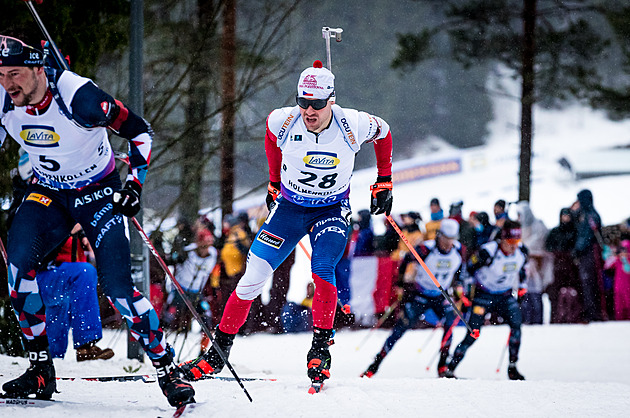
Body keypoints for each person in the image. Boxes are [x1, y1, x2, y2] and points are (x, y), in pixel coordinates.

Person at [0, 35, 194, 406]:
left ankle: (168, 370)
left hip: (97, 193)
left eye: (15, 74)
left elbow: (139, 131)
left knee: (119, 288)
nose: (9, 85)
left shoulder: (78, 97)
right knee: (18, 271)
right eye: (1, 75)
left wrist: (135, 186)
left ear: (39, 68)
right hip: (49, 193)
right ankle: (41, 369)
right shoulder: (4, 98)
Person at [181, 59, 393, 389]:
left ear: (331, 101)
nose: (309, 111)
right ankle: (217, 355)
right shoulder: (283, 120)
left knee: (322, 271)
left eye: (317, 104)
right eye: (303, 102)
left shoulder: (352, 124)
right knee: (251, 279)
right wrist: (272, 183)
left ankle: (320, 349)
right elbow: (269, 138)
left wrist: (384, 181)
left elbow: (385, 132)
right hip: (290, 210)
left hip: (331, 210)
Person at [360, 219, 463, 378]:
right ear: (439, 236)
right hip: (420, 294)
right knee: (400, 329)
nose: (449, 244)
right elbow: (406, 260)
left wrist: (458, 285)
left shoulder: (458, 250)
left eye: (452, 240)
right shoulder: (425, 249)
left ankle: (443, 367)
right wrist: (400, 284)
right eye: (446, 239)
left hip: (439, 295)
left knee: (450, 325)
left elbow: (460, 269)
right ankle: (374, 366)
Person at [444, 219, 529, 380]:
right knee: (474, 332)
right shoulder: (488, 251)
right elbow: (467, 270)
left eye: (516, 241)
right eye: (510, 241)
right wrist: (466, 292)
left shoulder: (522, 250)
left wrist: (523, 287)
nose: (513, 246)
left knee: (516, 325)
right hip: (484, 295)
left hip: (504, 295)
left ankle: (512, 367)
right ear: (502, 239)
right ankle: (450, 367)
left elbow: (523, 268)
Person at [515, 201, 552, 324]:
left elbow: (539, 242)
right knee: (525, 292)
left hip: (536, 263)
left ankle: (537, 319)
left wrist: (524, 248)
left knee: (536, 292)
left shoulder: (538, 225)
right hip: (524, 264)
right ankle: (527, 319)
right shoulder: (519, 226)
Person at [572, 189, 606, 322]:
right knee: (589, 283)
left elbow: (586, 236)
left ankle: (592, 312)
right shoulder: (588, 214)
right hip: (589, 252)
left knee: (589, 283)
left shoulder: (589, 215)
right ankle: (591, 311)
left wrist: (578, 249)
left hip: (590, 253)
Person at [545, 208, 581, 323]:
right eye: (563, 216)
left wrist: (570, 253)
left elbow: (576, 247)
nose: (565, 218)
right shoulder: (556, 231)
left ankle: (572, 316)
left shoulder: (574, 231)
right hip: (558, 266)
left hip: (571, 266)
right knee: (555, 293)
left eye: (567, 215)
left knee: (572, 292)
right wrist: (558, 252)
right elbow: (548, 246)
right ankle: (556, 318)